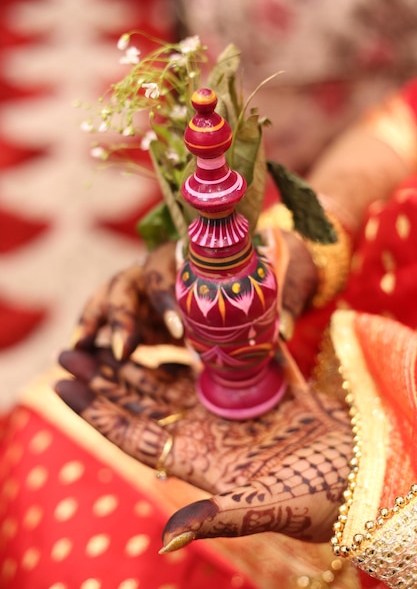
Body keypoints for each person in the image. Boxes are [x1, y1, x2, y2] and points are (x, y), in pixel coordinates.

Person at [2, 75, 417, 589]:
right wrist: (311, 236)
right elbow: (400, 129)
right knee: (41, 438)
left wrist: (394, 506)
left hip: (364, 485)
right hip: (320, 329)